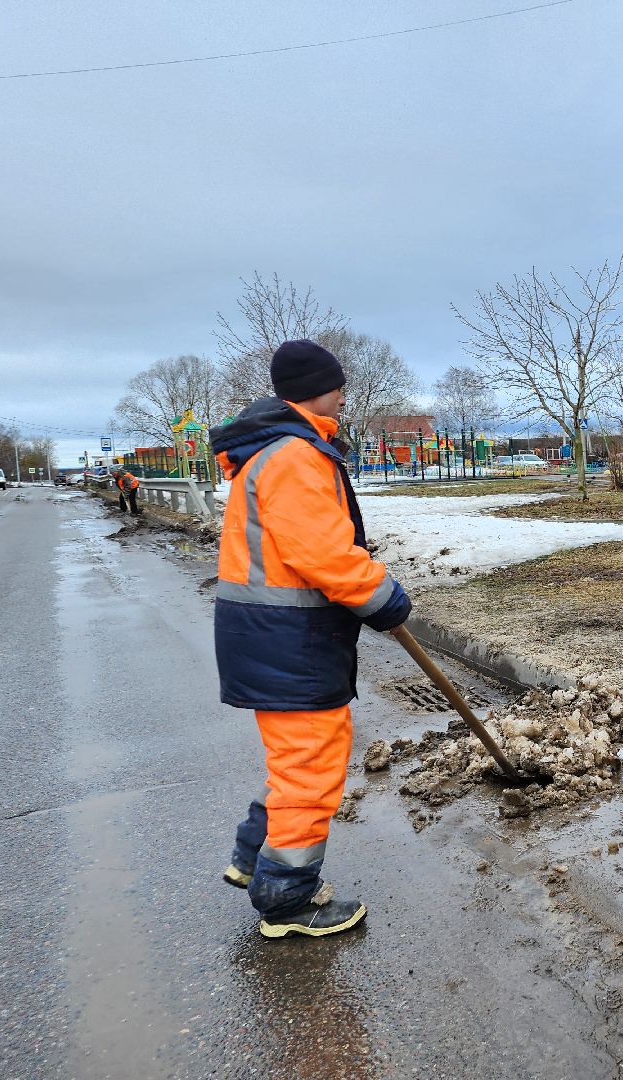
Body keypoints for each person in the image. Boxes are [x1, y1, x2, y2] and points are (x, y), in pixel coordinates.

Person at [209, 339, 412, 939]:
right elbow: (323, 553)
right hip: (288, 635)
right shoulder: (293, 455)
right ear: (312, 389)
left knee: (295, 760)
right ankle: (287, 898)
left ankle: (254, 860)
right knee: (311, 766)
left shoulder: (278, 448)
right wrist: (385, 599)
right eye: (338, 385)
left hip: (278, 633)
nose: (345, 394)